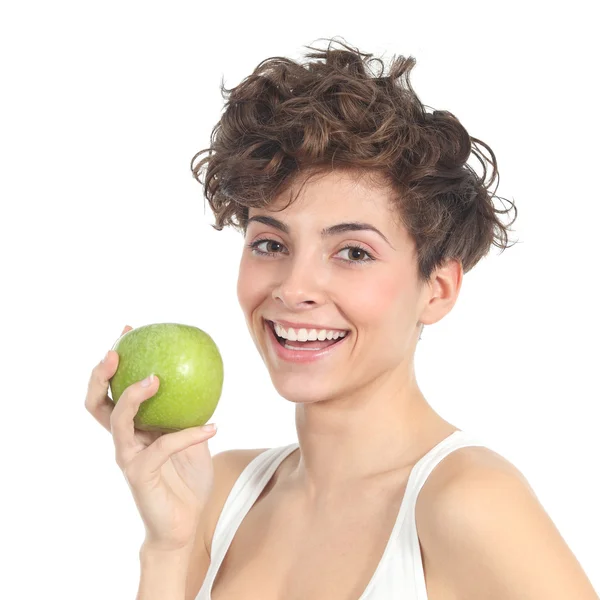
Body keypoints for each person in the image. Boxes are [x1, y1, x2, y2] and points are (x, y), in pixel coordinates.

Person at [86, 38, 599, 600]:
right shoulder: (219, 494)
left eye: (353, 252)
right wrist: (169, 549)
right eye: (270, 244)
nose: (294, 289)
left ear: (439, 288)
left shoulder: (468, 502)